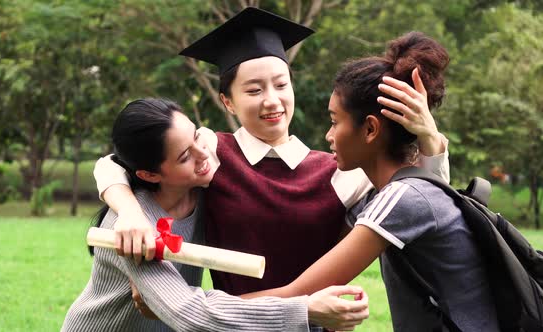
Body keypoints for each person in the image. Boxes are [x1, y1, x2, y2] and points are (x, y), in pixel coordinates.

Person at [93, 7, 449, 297]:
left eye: (281, 84)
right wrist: (129, 212)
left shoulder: (341, 171)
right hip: (234, 324)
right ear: (227, 102)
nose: (271, 100)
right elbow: (113, 166)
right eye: (253, 90)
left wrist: (430, 138)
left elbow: (425, 204)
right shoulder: (213, 151)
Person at [244, 32, 500, 331]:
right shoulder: (389, 196)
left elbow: (298, 294)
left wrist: (194, 306)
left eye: (334, 121)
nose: (329, 136)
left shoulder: (404, 199)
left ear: (369, 129)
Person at [62, 98, 369, 332]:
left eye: (196, 137)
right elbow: (188, 314)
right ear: (149, 174)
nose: (203, 155)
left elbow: (109, 164)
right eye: (185, 157)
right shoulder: (133, 232)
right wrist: (303, 310)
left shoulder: (204, 184)